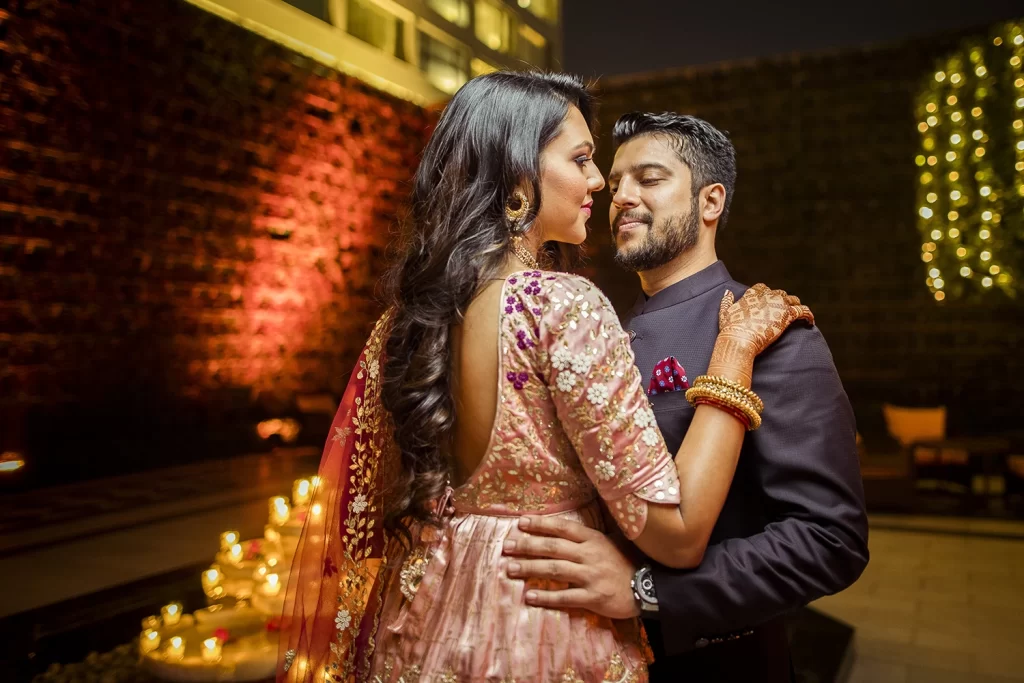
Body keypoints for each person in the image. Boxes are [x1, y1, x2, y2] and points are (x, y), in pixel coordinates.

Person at [276, 75, 813, 683]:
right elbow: (679, 533)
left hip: (424, 616)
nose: (598, 184)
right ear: (517, 173)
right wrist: (735, 354)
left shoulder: (405, 322)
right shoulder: (560, 306)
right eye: (581, 160)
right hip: (538, 623)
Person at [503, 112, 870, 682]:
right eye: (616, 180)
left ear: (710, 201)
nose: (620, 196)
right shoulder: (593, 326)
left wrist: (648, 593)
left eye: (649, 179)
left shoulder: (767, 329)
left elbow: (830, 539)